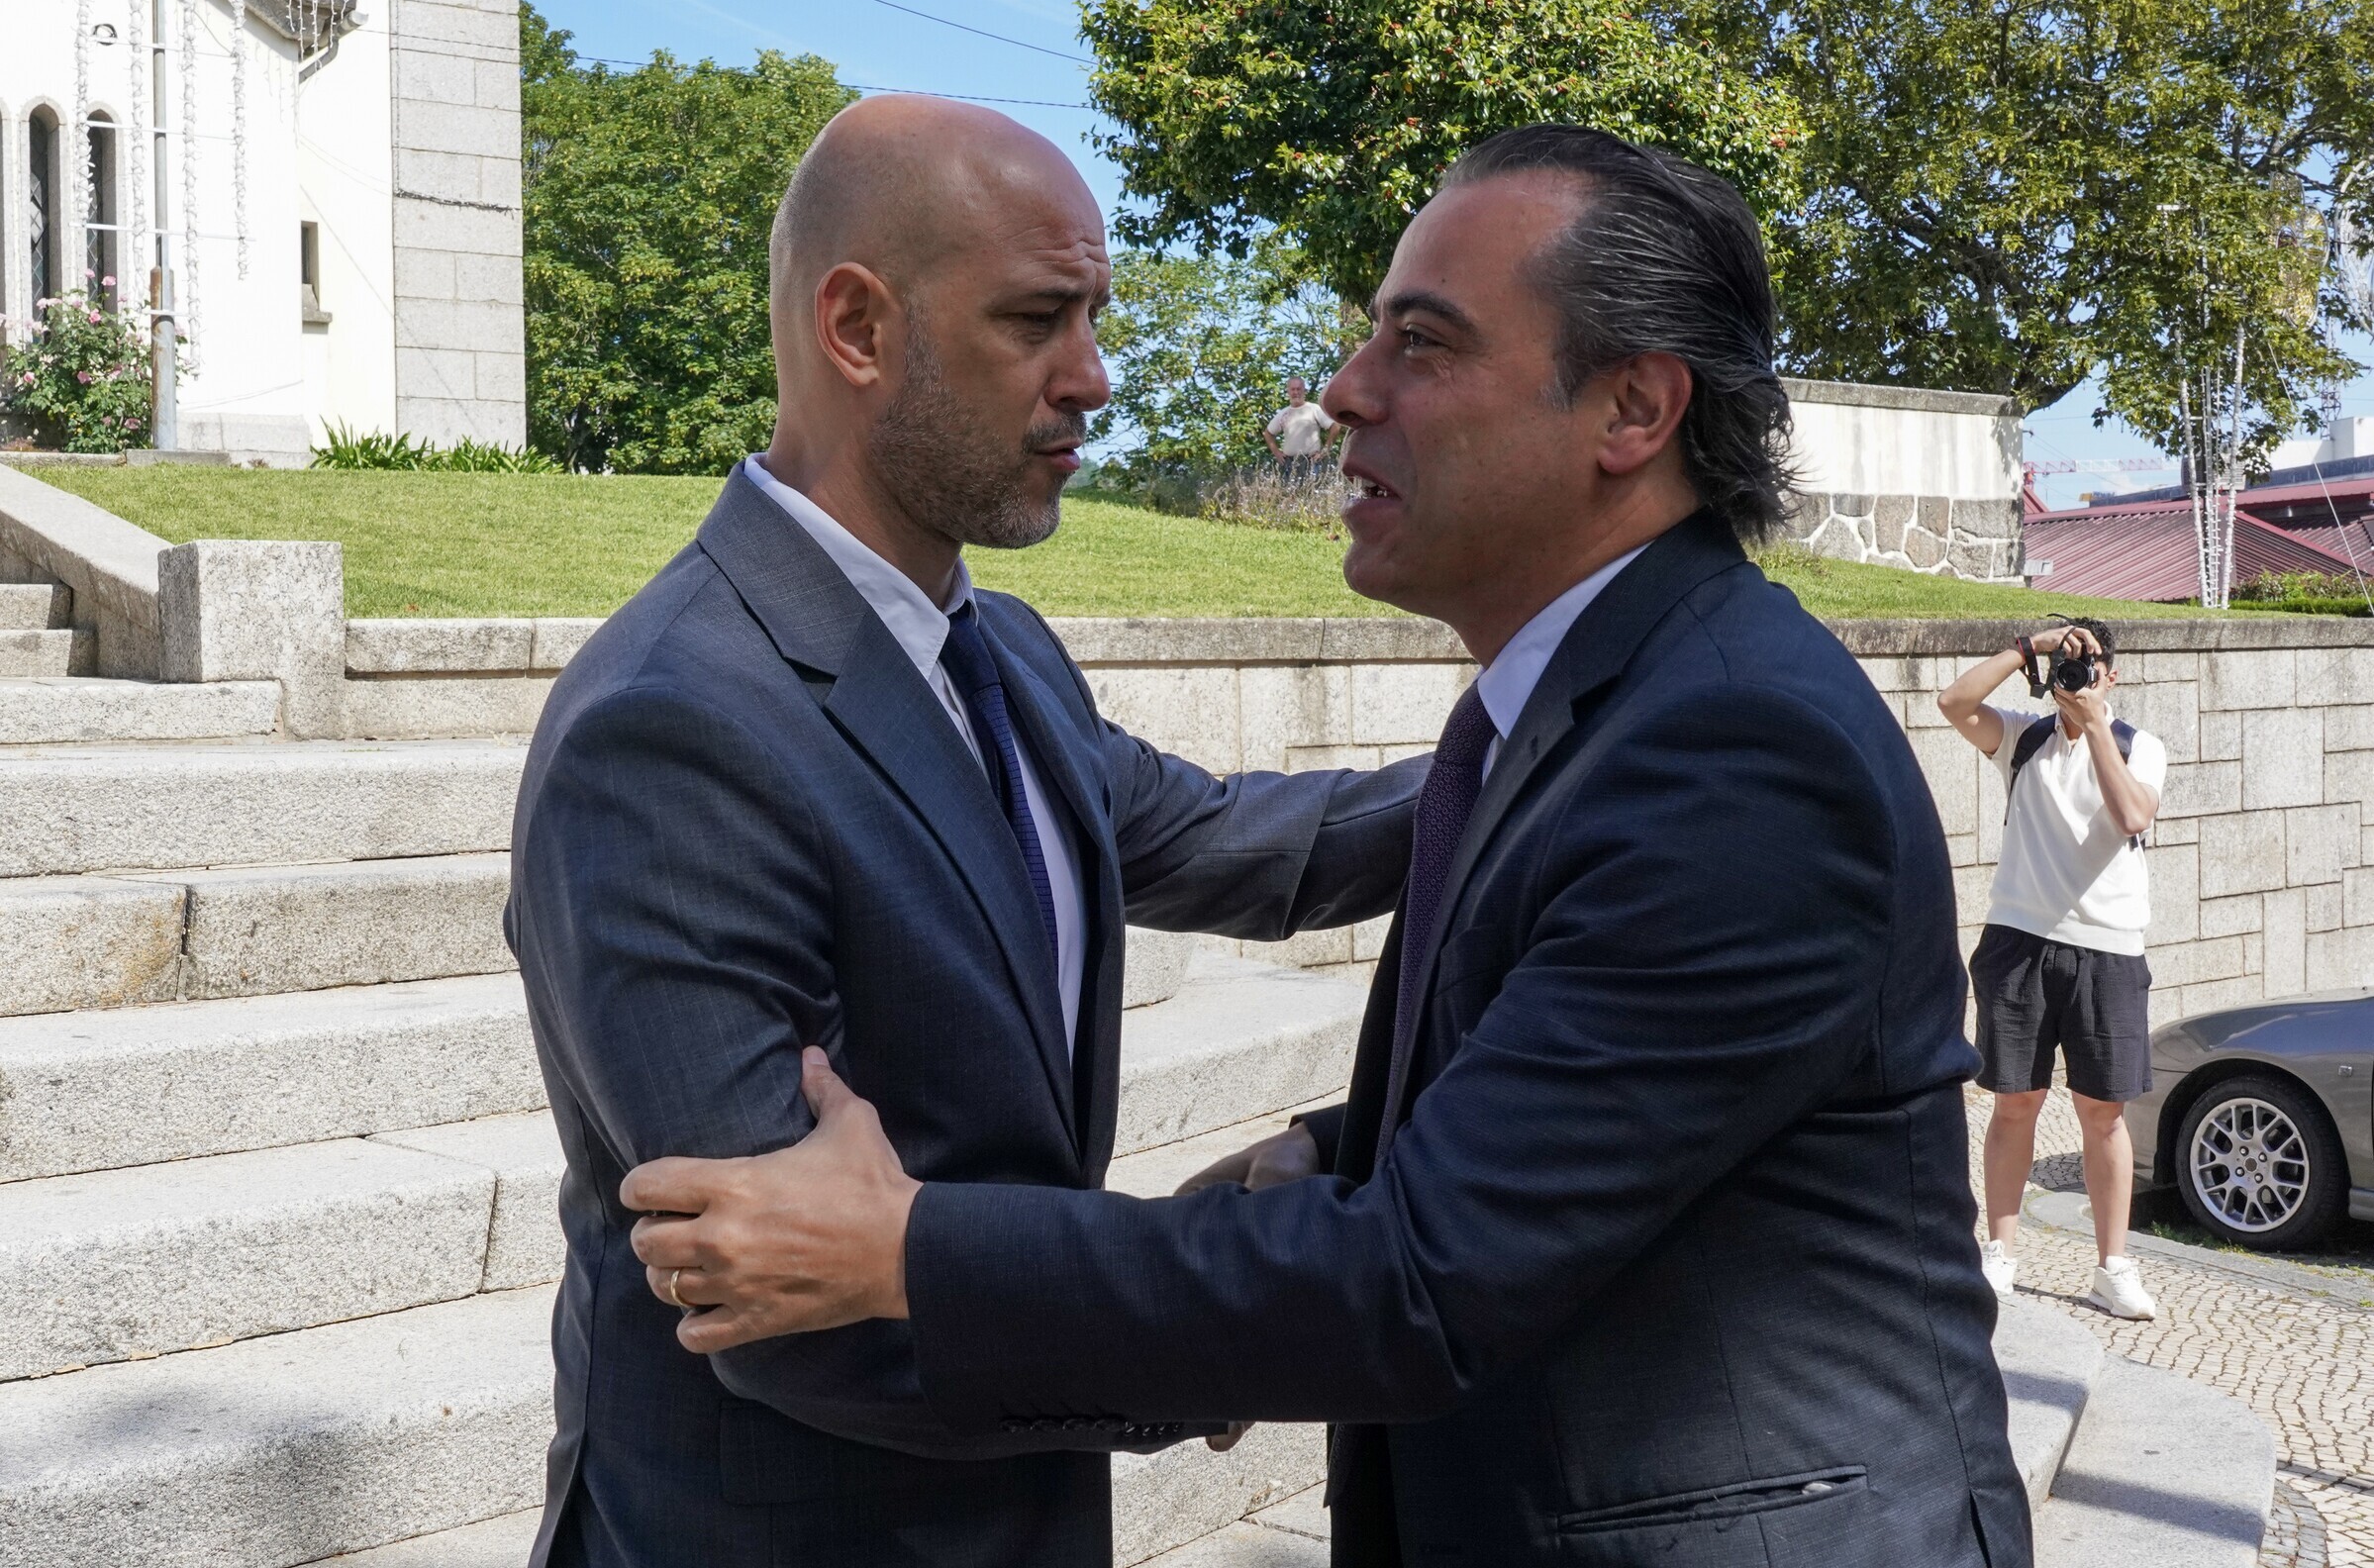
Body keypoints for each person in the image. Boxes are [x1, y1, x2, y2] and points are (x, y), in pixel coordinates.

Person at [622, 125, 2030, 1568]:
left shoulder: (1728, 754)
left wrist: (905, 1252)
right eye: (1038, 318)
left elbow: (1417, 1277)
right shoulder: (677, 717)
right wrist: (1334, 1155)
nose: (1346, 389)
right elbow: (1610, 1089)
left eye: (1421, 343)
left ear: (1630, 409)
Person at [504, 94, 1424, 1568]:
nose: (1094, 376)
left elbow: (1231, 842)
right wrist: (1219, 1321)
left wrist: (1543, 753)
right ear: (857, 327)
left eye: (1094, 317)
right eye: (1036, 319)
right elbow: (794, 1317)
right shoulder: (673, 726)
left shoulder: (1004, 653)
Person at [1936, 621, 2164, 1322]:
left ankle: (2112, 1268)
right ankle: (2000, 1252)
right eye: (2067, 665)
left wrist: (2094, 724)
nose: (2076, 675)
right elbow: (1953, 703)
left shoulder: (2140, 746)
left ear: (2111, 676)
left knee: (2103, 1113)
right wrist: (2026, 649)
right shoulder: (2023, 735)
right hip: (2019, 943)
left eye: (2088, 665)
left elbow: (2132, 815)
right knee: (2015, 1103)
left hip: (2108, 949)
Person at [1264, 374, 1338, 475]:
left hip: (1311, 462)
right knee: (1287, 486)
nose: (1296, 392)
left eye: (1298, 389)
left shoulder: (1314, 409)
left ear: (1304, 390)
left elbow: (1335, 427)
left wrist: (1325, 451)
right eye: (1293, 389)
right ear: (1288, 391)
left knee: (1312, 486)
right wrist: (1276, 452)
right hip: (1288, 463)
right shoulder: (1284, 413)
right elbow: (1268, 433)